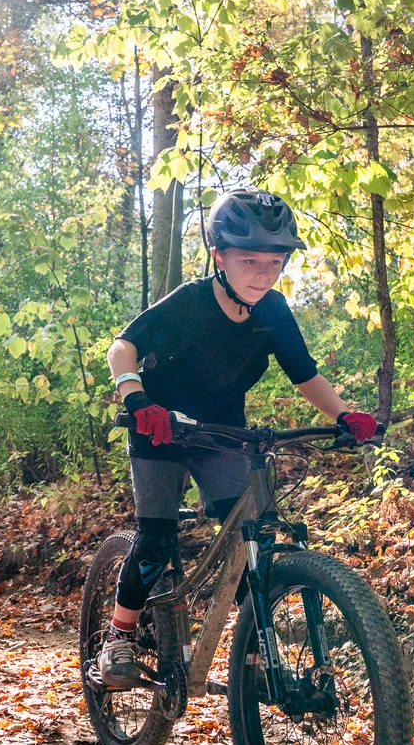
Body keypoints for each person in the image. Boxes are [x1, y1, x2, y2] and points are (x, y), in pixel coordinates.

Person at [98, 187, 378, 689]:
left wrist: (344, 415)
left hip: (222, 432)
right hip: (160, 428)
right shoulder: (189, 302)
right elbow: (124, 347)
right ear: (219, 257)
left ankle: (254, 661)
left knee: (249, 536)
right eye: (249, 259)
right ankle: (119, 636)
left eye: (275, 261)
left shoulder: (273, 311)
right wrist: (136, 400)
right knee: (156, 538)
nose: (263, 273)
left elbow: (304, 374)